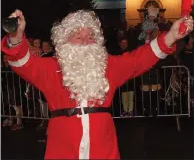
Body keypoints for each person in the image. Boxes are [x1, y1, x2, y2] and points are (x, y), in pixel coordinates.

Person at [1, 9, 193, 159]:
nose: (85, 42)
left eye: (90, 36)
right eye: (78, 37)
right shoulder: (51, 68)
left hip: (103, 151)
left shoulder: (108, 66)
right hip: (62, 151)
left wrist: (171, 36)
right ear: (64, 41)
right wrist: (16, 39)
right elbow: (23, 63)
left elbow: (139, 59)